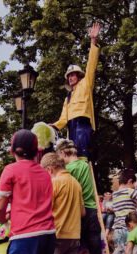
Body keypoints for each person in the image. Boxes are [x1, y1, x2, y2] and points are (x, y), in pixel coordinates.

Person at [56, 139, 111, 254]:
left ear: (64, 153)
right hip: (93, 212)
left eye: (60, 157)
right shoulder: (85, 165)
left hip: (79, 214)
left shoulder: (69, 170)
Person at [51, 23, 101, 158]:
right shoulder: (67, 98)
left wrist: (93, 41)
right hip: (71, 128)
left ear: (78, 75)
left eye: (73, 74)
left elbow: (91, 65)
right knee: (73, 157)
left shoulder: (86, 83)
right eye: (69, 76)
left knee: (83, 157)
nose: (70, 77)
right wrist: (52, 127)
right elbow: (62, 119)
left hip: (83, 124)